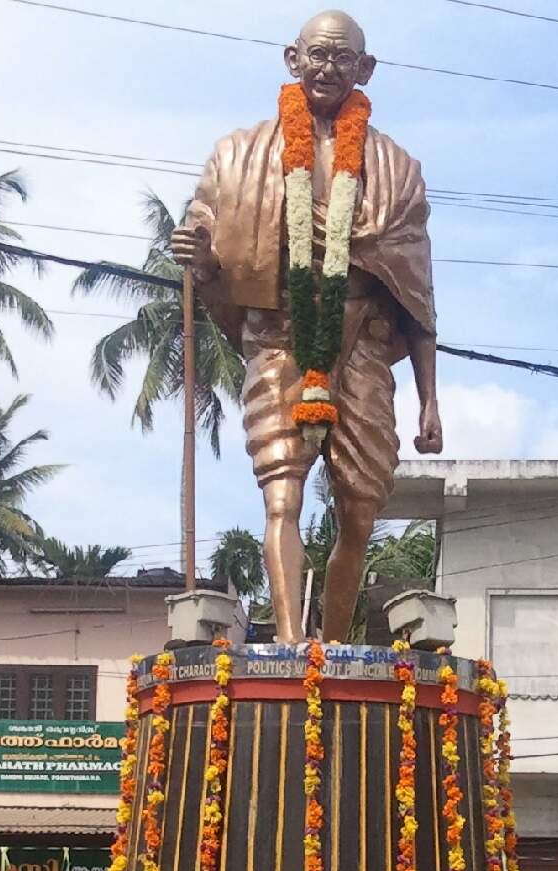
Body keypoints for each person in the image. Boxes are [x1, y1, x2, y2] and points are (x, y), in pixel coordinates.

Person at [172, 8, 440, 642]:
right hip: (279, 339)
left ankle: (335, 642)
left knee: (360, 511)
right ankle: (292, 641)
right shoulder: (239, 155)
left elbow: (418, 296)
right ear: (292, 59)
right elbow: (210, 242)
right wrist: (200, 254)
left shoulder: (396, 169)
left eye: (342, 57)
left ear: (364, 68)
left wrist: (430, 400)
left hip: (363, 345)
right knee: (281, 494)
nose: (328, 68)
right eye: (317, 54)